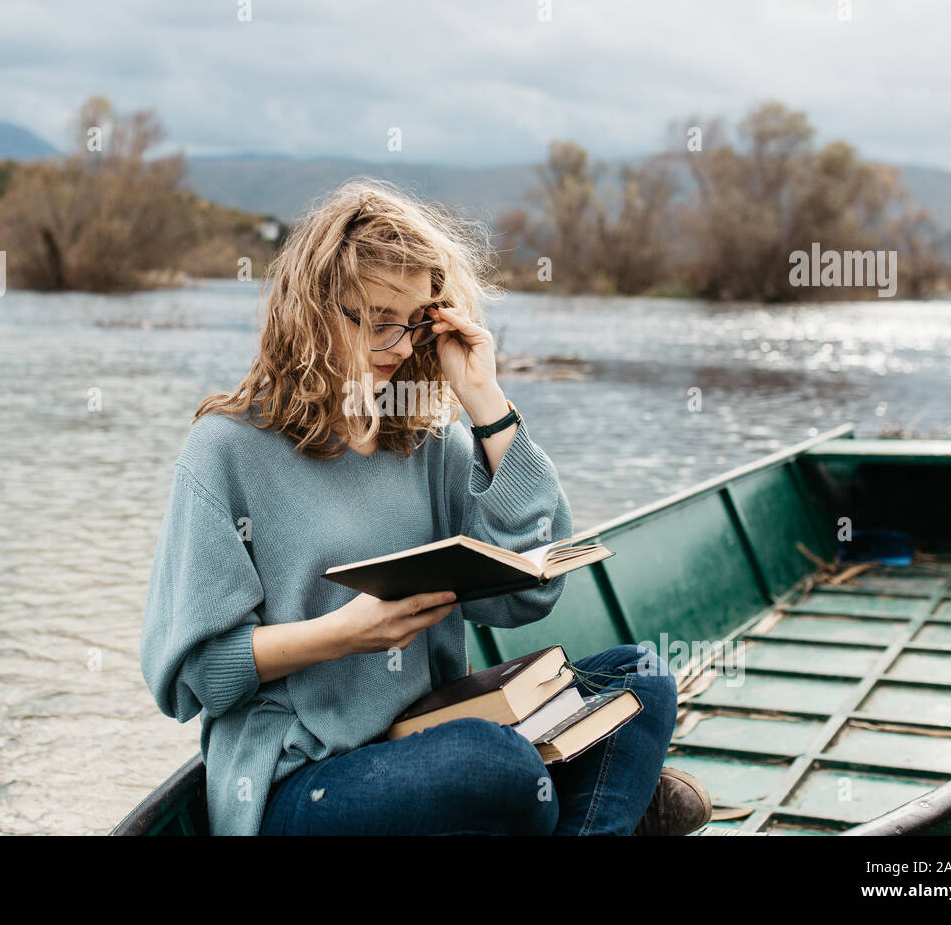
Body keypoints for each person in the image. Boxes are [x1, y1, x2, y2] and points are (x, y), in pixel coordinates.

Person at [139, 178, 711, 835]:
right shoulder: (229, 449)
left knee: (641, 680)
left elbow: (522, 599)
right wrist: (342, 636)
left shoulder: (429, 441)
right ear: (312, 310)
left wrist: (485, 403)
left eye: (414, 324)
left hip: (430, 731)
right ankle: (609, 808)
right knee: (499, 768)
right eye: (379, 322)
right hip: (302, 780)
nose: (402, 348)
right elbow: (189, 680)